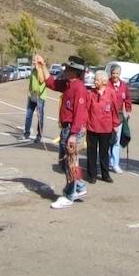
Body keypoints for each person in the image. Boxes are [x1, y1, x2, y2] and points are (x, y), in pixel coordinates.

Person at [35, 54, 90, 210]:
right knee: (66, 163)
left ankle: (68, 195)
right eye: (67, 68)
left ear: (76, 71)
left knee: (70, 163)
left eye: (69, 68)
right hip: (66, 129)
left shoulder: (79, 88)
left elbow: (79, 114)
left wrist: (73, 135)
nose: (66, 70)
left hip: (72, 130)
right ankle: (79, 186)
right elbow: (50, 82)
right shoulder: (67, 84)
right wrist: (42, 64)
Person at [84, 70, 122, 184]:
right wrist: (83, 124)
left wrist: (115, 124)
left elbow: (115, 109)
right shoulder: (91, 93)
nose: (95, 82)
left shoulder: (111, 93)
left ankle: (105, 175)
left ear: (104, 81)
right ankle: (92, 175)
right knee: (91, 152)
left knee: (104, 152)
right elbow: (86, 109)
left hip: (106, 128)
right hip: (92, 127)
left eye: (97, 80)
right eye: (95, 79)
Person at [106, 64, 132, 173]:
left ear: (119, 74)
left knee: (116, 141)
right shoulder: (106, 84)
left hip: (119, 116)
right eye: (113, 73)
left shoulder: (124, 86)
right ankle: (106, 162)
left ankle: (115, 163)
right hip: (107, 116)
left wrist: (128, 110)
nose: (115, 76)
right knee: (107, 140)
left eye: (117, 73)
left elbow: (128, 98)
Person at [24, 60, 48, 143]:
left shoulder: (42, 71)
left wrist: (39, 69)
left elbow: (41, 80)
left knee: (40, 116)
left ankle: (39, 135)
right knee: (28, 114)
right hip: (32, 95)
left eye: (35, 61)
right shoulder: (33, 70)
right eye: (33, 61)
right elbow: (31, 82)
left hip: (40, 96)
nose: (33, 62)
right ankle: (27, 133)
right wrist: (29, 92)